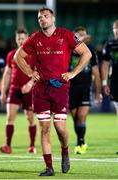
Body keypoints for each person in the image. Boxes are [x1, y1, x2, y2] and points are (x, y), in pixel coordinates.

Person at [14, 7, 92, 176]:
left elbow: (86, 53)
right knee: (44, 128)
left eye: (45, 16)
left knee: (60, 127)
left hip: (60, 88)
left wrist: (73, 73)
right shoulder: (35, 38)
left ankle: (65, 150)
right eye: (39, 17)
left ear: (53, 18)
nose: (42, 19)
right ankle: (49, 167)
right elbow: (17, 57)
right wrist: (29, 72)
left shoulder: (66, 35)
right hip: (41, 89)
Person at [0, 29, 37, 154]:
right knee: (10, 117)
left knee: (30, 118)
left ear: (27, 39)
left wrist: (30, 84)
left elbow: (38, 72)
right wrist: (3, 92)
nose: (21, 41)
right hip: (14, 89)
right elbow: (7, 73)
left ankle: (32, 146)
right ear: (16, 39)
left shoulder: (33, 54)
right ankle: (7, 146)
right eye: (19, 38)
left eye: (23, 38)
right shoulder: (11, 55)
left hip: (29, 90)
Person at [69, 26, 102, 154]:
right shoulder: (69, 50)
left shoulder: (91, 52)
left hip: (85, 89)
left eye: (84, 34)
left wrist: (98, 92)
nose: (82, 36)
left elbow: (96, 73)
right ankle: (80, 139)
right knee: (75, 118)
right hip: (70, 89)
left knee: (81, 117)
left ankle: (80, 142)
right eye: (79, 34)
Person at [101, 20, 118, 152]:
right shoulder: (110, 44)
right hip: (116, 82)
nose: (116, 30)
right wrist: (104, 82)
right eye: (115, 28)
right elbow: (105, 64)